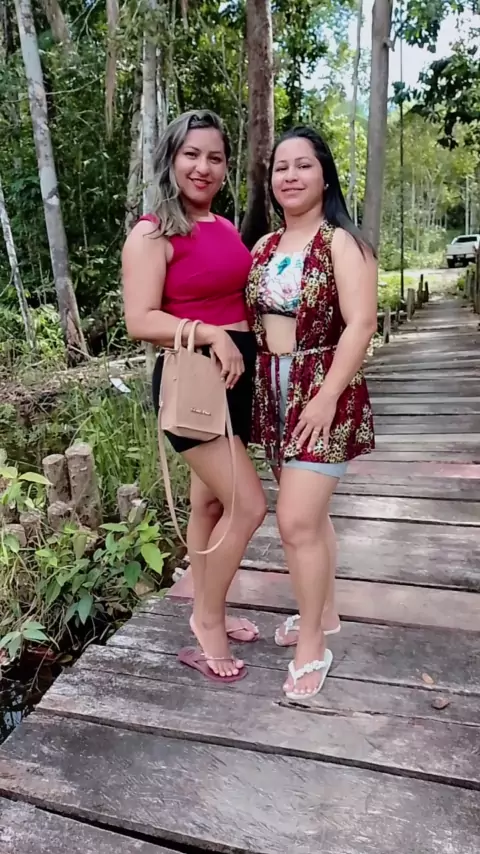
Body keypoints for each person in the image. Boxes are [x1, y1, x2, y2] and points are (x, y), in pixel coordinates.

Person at [122, 109, 267, 683]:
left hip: (236, 379)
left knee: (210, 505)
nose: (203, 167)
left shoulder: (226, 227)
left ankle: (212, 606)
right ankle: (206, 619)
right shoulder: (152, 233)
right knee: (249, 506)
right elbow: (140, 319)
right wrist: (209, 334)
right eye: (191, 155)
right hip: (195, 383)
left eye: (215, 157)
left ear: (226, 167)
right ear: (171, 159)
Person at [246, 126, 377, 699]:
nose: (291, 176)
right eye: (281, 167)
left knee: (296, 521)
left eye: (303, 165)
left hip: (324, 391)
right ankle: (324, 613)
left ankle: (312, 647)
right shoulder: (264, 247)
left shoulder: (342, 243)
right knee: (313, 518)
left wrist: (325, 397)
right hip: (273, 391)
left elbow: (362, 324)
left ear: (325, 175)